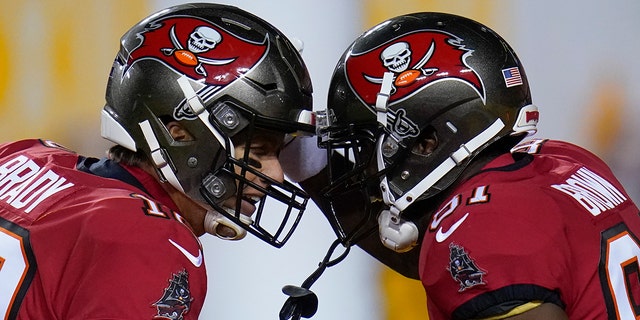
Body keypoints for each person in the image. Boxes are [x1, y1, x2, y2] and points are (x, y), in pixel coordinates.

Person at [280, 12, 640, 319]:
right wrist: (307, 160)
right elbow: (449, 264)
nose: (367, 170)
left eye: (372, 143)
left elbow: (475, 251)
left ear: (427, 141)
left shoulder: (481, 226)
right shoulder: (562, 159)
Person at [0, 2, 314, 319]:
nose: (276, 175)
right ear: (180, 135)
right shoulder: (148, 239)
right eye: (259, 151)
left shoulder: (20, 156)